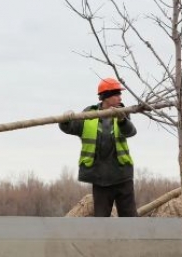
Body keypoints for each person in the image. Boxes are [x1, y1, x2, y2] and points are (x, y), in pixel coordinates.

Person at [59, 77, 138, 217]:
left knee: (130, 218)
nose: (120, 97)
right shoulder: (89, 114)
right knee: (101, 220)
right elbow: (70, 127)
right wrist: (65, 120)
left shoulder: (123, 112)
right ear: (106, 97)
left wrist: (122, 120)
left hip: (122, 176)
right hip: (100, 178)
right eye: (116, 94)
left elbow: (130, 132)